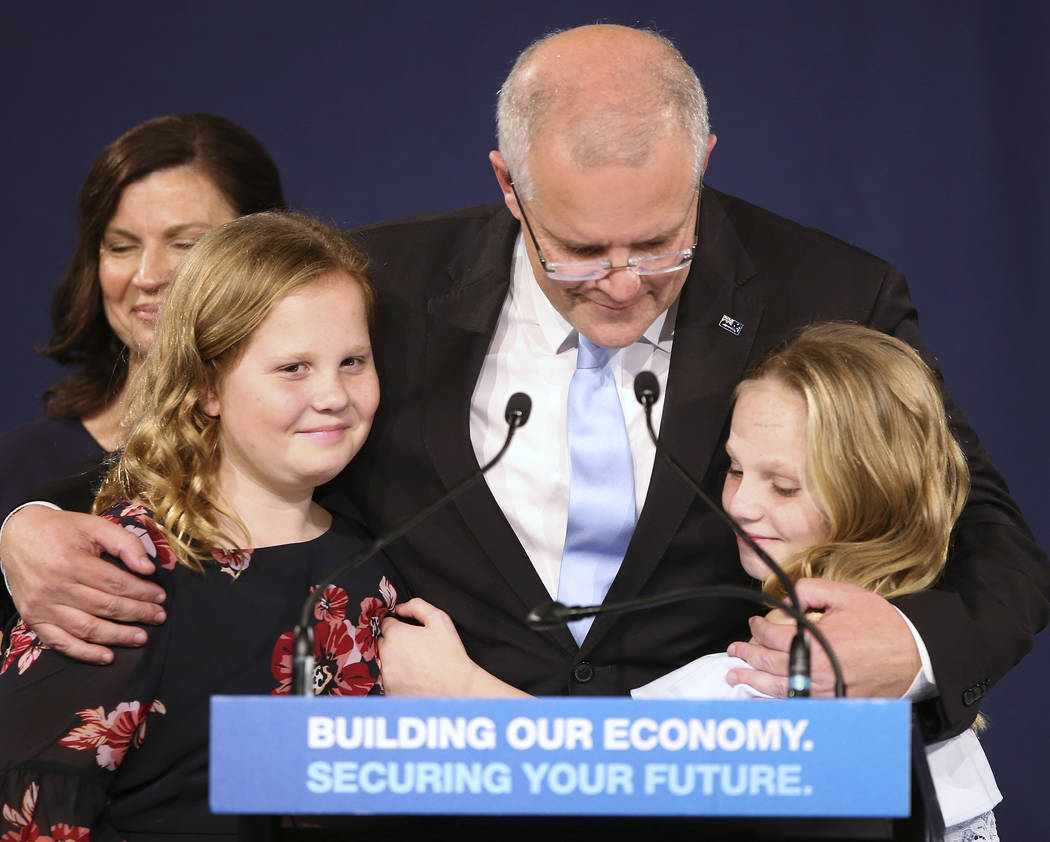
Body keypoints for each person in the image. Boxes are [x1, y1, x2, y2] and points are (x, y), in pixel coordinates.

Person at [2, 26, 1047, 743]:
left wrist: (905, 643)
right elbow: (206, 453)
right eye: (583, 250)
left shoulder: (833, 288)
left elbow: (998, 544)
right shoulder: (379, 285)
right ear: (509, 186)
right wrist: (26, 521)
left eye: (662, 240)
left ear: (704, 160)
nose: (627, 283)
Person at [0, 212, 403, 840]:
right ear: (207, 386)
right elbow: (31, 809)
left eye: (353, 361)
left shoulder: (370, 563)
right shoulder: (121, 575)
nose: (333, 395)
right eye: (293, 367)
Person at [626, 322, 1001, 841]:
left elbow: (544, 776)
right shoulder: (942, 727)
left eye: (783, 487)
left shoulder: (731, 694)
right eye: (735, 469)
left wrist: (466, 682)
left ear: (873, 495)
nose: (739, 506)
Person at [0, 113, 285, 625]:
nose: (148, 275)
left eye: (187, 243)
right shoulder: (18, 468)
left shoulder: (315, 452)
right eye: (121, 245)